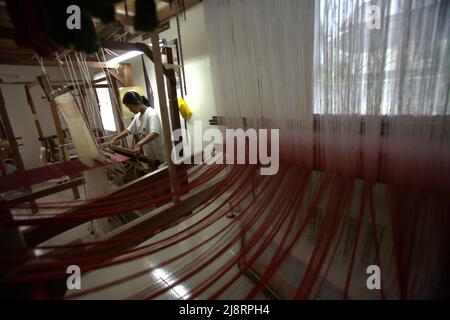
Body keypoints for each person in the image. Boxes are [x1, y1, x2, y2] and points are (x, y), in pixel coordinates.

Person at [110, 91, 165, 164]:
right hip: (151, 156)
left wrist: (139, 144)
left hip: (161, 156)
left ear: (138, 103)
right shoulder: (137, 117)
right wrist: (115, 138)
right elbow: (128, 131)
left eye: (130, 107)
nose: (130, 110)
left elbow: (155, 133)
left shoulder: (151, 114)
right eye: (128, 108)